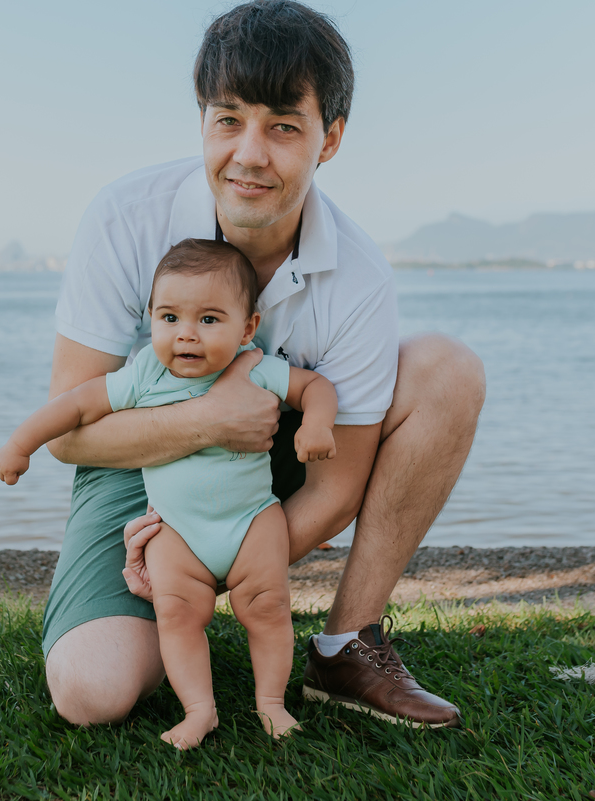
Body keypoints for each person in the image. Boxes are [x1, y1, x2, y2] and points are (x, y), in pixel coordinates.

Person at [42, 0, 485, 730]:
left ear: (330, 139)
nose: (249, 152)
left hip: (265, 481)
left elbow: (336, 487)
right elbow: (69, 432)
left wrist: (221, 563)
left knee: (449, 368)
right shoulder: (126, 218)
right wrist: (200, 441)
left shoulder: (360, 277)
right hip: (140, 475)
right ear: (204, 120)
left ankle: (347, 647)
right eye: (228, 119)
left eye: (283, 126)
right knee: (93, 691)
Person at [0, 238, 338, 748]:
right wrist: (21, 444)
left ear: (247, 327)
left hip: (250, 520)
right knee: (177, 615)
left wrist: (317, 426)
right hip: (175, 526)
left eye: (209, 320)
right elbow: (77, 406)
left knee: (267, 607)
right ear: (150, 319)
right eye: (170, 318)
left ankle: (271, 703)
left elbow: (315, 388)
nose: (187, 336)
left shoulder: (253, 366)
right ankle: (199, 710)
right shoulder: (145, 374)